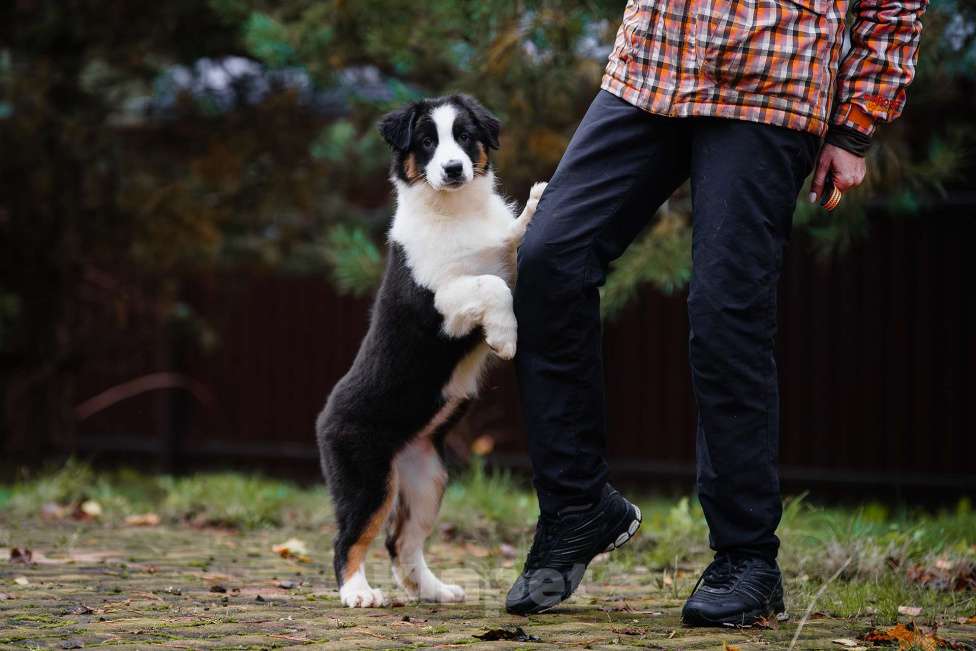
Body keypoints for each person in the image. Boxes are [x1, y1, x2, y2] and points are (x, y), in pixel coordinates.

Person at [505, 0, 928, 623]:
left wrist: (855, 123)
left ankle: (747, 558)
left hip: (773, 80)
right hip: (654, 67)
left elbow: (893, 7)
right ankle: (576, 508)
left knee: (727, 311)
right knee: (548, 260)